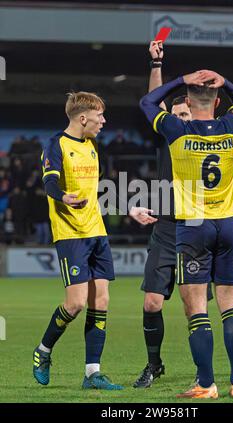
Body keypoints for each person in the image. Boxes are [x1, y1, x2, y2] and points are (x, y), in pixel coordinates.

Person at [140, 69, 233, 398]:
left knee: (197, 308)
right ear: (218, 101)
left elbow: (148, 101)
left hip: (193, 226)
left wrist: (180, 78)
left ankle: (206, 384)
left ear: (187, 102)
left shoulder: (177, 130)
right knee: (230, 305)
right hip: (227, 224)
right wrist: (225, 79)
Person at [130, 41, 213, 389]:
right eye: (174, 115)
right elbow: (154, 102)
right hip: (165, 226)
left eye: (185, 114)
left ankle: (202, 373)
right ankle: (154, 364)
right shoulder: (169, 135)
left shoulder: (207, 138)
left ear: (195, 114)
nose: (179, 119)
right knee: (151, 303)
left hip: (195, 226)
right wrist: (156, 63)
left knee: (194, 308)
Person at [33, 91, 124, 390]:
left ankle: (92, 374)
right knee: (74, 304)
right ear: (83, 118)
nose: (104, 121)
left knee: (102, 300)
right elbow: (49, 181)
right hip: (70, 233)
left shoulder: (93, 145)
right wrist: (63, 196)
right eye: (100, 116)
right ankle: (43, 352)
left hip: (96, 230)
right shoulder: (56, 144)